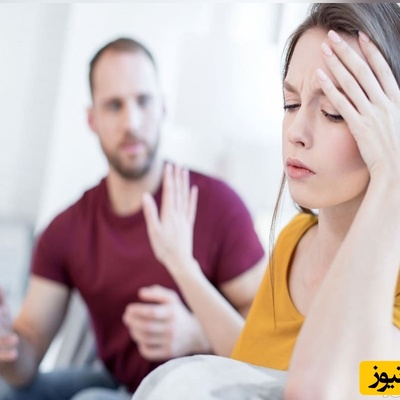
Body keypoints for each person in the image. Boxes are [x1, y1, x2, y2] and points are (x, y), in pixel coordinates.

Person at [131, 3, 400, 400]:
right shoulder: (295, 242)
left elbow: (328, 387)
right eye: (291, 104)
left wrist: (392, 177)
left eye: (333, 112)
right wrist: (183, 266)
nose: (296, 131)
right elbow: (256, 368)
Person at [0, 37, 266, 400]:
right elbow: (29, 346)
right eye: (114, 106)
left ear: (163, 107)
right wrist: (7, 346)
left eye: (143, 101)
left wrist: (198, 335)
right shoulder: (66, 230)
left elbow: (268, 346)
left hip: (200, 389)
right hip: (123, 386)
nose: (132, 122)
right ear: (92, 119)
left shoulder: (220, 206)